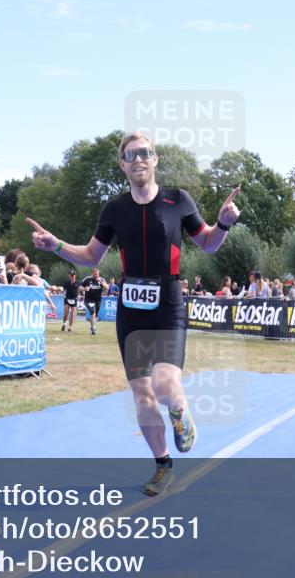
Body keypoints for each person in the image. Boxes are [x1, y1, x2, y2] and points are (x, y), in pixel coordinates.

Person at [26, 131, 240, 496]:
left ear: (155, 159)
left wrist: (222, 224)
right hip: (131, 307)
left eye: (145, 152)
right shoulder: (115, 209)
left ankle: (180, 412)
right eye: (131, 154)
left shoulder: (178, 200)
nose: (139, 159)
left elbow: (208, 244)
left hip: (169, 301)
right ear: (123, 164)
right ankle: (162, 466)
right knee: (142, 395)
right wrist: (55, 246)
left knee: (164, 385)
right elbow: (92, 256)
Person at [81, 267, 109, 335]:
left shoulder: (101, 279)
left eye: (97, 274)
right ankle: (93, 328)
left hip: (98, 300)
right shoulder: (87, 279)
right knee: (92, 312)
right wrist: (84, 288)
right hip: (89, 300)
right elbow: (80, 287)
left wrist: (101, 282)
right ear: (92, 273)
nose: (96, 275)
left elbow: (107, 287)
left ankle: (93, 326)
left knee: (95, 315)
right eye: (95, 274)